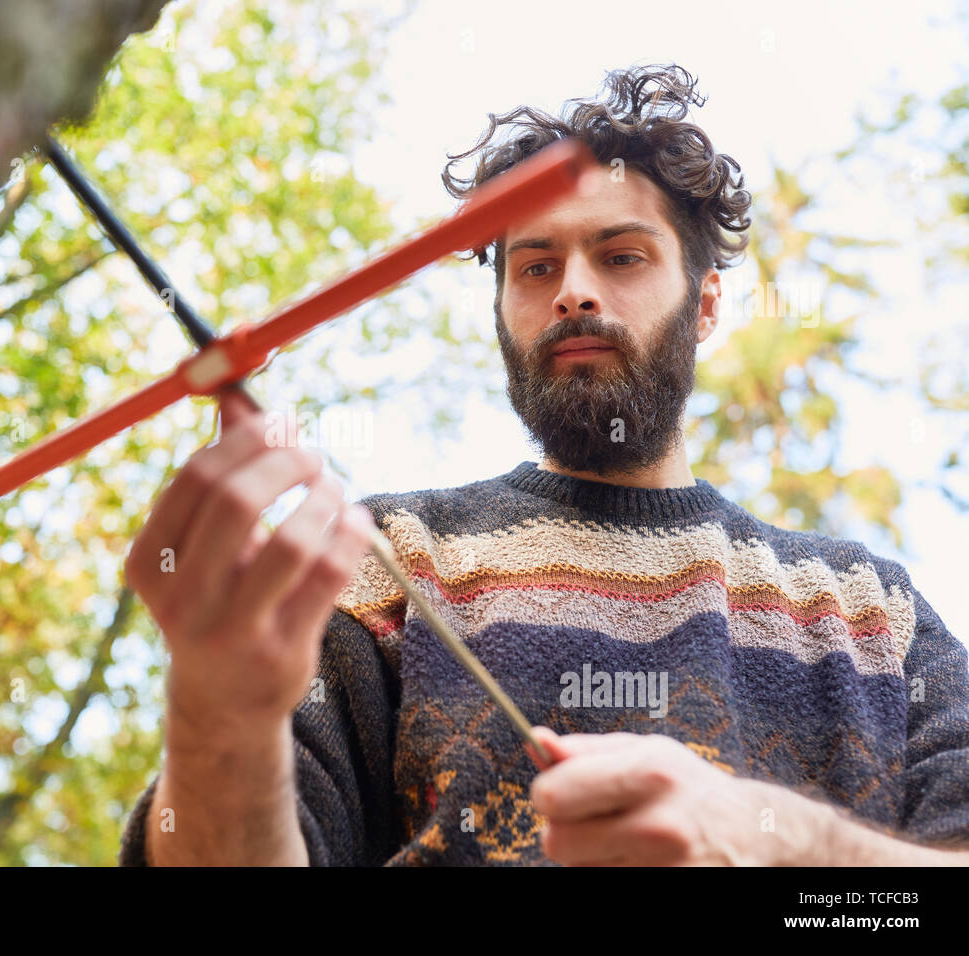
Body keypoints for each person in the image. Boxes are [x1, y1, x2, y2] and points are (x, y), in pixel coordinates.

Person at [117, 63, 969, 865]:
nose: (573, 291)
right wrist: (214, 720)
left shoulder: (868, 612)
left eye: (622, 256)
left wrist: (771, 841)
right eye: (534, 267)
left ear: (705, 306)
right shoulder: (382, 558)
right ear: (501, 315)